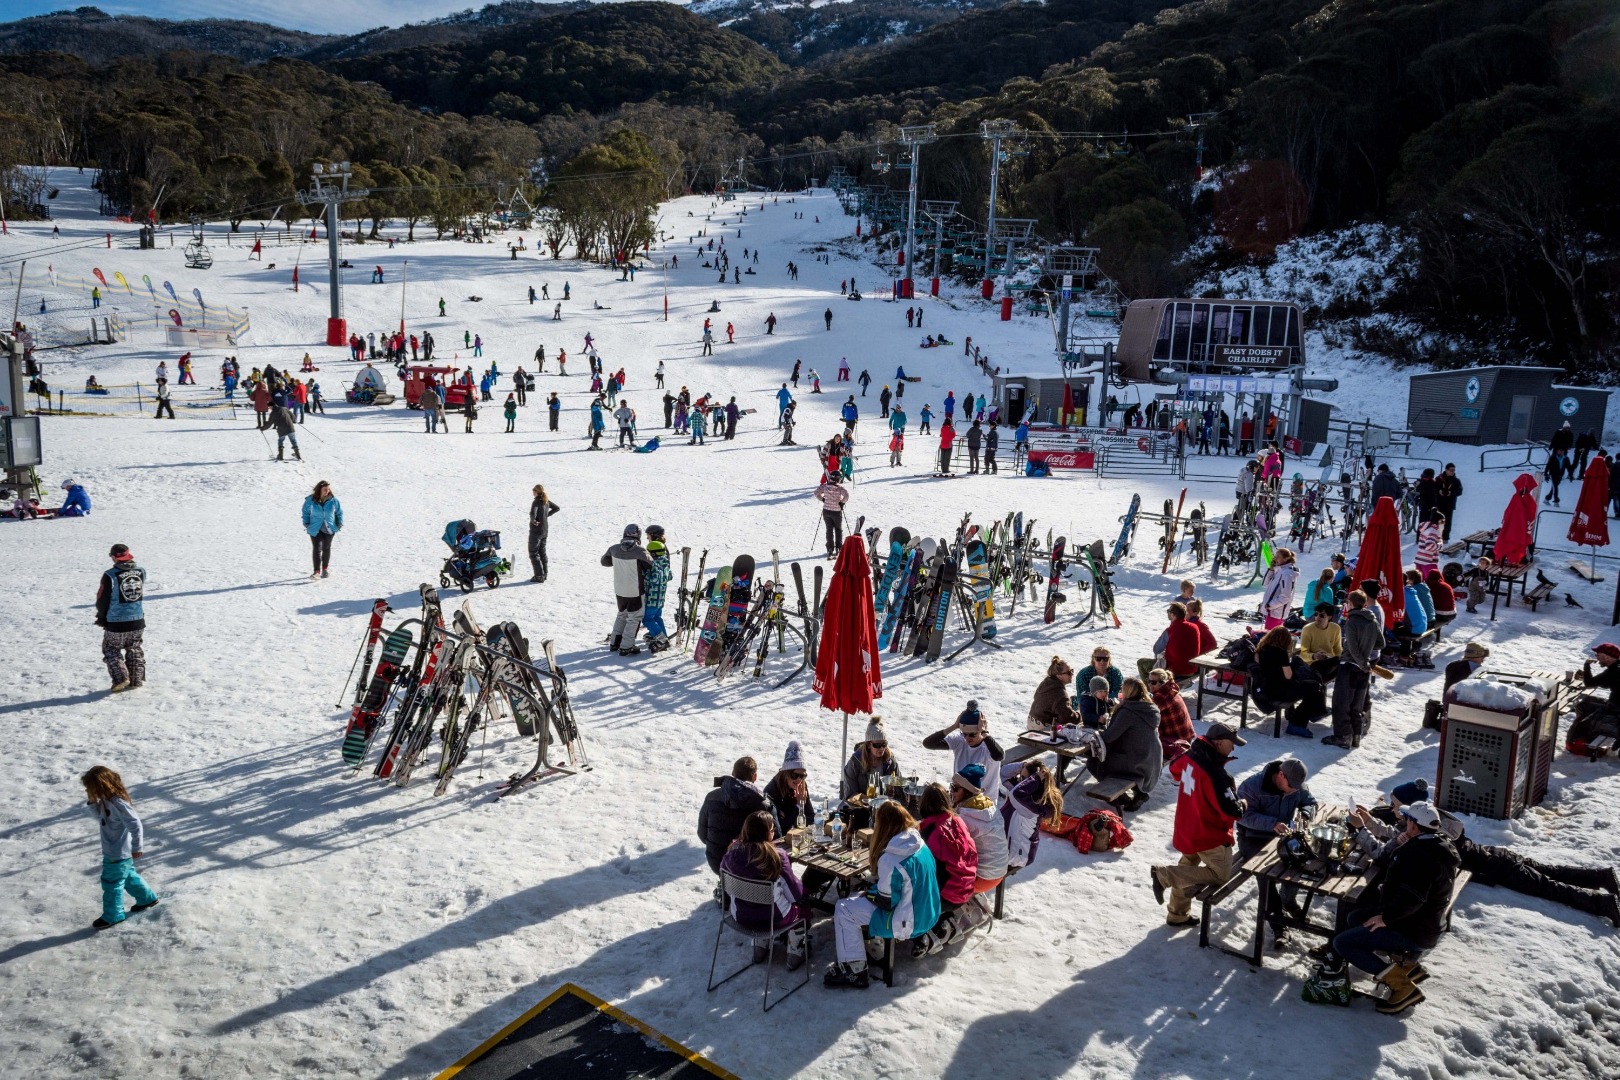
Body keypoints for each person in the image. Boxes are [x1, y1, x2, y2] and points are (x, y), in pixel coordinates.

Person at [1329, 802, 1460, 1013]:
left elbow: (1413, 898)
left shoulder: (1421, 856)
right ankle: (1405, 965)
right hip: (1421, 921)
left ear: (1415, 826)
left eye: (1406, 819)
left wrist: (1385, 918)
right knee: (1355, 918)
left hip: (1414, 930)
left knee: (1342, 943)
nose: (1403, 821)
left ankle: (1402, 986)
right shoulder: (1433, 843)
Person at [824, 802, 939, 989]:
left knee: (843, 908)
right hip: (928, 912)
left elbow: (886, 902)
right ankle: (870, 946)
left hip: (908, 920)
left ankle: (855, 969)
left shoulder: (891, 858)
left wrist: (868, 895)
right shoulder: (918, 843)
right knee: (860, 897)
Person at [1149, 722, 1247, 927]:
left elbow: (1175, 769)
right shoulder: (1217, 775)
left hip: (1188, 827)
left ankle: (1177, 914)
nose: (1234, 748)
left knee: (1187, 868)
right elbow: (1233, 811)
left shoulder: (1191, 756)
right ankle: (1164, 875)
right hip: (1208, 834)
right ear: (1219, 743)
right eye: (1232, 743)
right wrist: (1244, 803)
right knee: (1220, 875)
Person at [719, 811, 809, 970]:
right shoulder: (776, 856)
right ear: (765, 833)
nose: (774, 833)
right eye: (772, 829)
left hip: (741, 916)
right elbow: (795, 894)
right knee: (801, 908)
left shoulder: (731, 854)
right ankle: (796, 950)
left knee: (758, 903)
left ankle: (760, 944)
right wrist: (806, 892)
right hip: (774, 920)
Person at [82, 765, 160, 929]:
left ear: (101, 785)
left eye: (91, 788)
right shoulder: (106, 801)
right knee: (128, 876)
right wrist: (91, 802)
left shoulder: (118, 803)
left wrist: (137, 847)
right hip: (115, 851)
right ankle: (147, 898)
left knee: (112, 882)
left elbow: (135, 824)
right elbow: (102, 819)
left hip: (117, 852)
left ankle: (113, 915)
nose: (89, 791)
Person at [912, 783, 979, 957]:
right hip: (967, 888)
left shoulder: (928, 831)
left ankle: (921, 934)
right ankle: (945, 920)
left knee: (907, 888)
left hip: (947, 896)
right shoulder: (957, 820)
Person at [1085, 677, 1163, 810]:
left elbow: (1109, 737)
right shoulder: (1150, 708)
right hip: (1152, 759)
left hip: (1137, 762)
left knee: (1093, 762)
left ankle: (1119, 797)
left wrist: (1095, 733)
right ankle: (1138, 793)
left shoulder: (1129, 711)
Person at [1328, 589, 1382, 748]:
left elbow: (1351, 648)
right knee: (1357, 705)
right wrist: (1366, 657)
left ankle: (1343, 737)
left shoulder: (1352, 621)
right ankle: (1356, 736)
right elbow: (1381, 643)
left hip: (1350, 667)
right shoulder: (1372, 621)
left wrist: (1361, 662)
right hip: (1363, 668)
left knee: (1341, 703)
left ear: (1350, 604)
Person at [698, 757, 769, 873]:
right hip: (749, 867)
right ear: (755, 776)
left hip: (717, 862)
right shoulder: (762, 804)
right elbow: (775, 838)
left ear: (732, 773)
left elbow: (702, 834)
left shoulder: (711, 797)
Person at [922, 702, 1004, 801]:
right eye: (964, 734)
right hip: (959, 798)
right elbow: (928, 743)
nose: (967, 738)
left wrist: (984, 733)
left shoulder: (989, 746)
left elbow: (999, 756)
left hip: (983, 802)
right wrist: (954, 726)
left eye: (972, 734)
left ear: (982, 731)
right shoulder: (959, 740)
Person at [1254, 624, 1326, 735]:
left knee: (1311, 686)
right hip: (1281, 690)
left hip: (1267, 688)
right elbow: (1288, 676)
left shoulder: (1260, 650)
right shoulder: (1281, 653)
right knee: (1315, 687)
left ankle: (1311, 713)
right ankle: (1298, 723)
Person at [95, 544, 146, 692]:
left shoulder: (110, 575)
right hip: (137, 618)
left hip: (116, 620)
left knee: (111, 648)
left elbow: (102, 599)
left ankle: (121, 678)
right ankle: (136, 680)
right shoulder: (141, 571)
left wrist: (102, 616)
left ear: (113, 556)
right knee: (134, 647)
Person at [999, 760, 1064, 875]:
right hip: (1006, 848)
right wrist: (1022, 766)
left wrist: (1035, 778)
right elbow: (1003, 773)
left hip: (1017, 855)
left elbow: (1016, 794)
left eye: (1024, 778)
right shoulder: (1022, 793)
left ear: (1033, 783)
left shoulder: (1034, 805)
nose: (1020, 781)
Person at [600, 524, 652, 655]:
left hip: (619, 590)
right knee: (635, 617)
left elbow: (604, 562)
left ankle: (614, 643)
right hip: (635, 590)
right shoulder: (640, 551)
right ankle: (627, 646)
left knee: (622, 614)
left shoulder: (614, 549)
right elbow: (651, 565)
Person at [764, 742, 816, 836]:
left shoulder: (801, 786)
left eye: (802, 776)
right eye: (794, 775)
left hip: (797, 837)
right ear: (786, 773)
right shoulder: (772, 792)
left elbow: (811, 817)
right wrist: (798, 807)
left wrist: (792, 819)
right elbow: (780, 828)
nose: (799, 779)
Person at [841, 719, 901, 800]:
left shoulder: (891, 762)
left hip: (885, 806)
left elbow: (900, 788)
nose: (882, 748)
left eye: (884, 744)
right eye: (877, 745)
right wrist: (868, 801)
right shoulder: (855, 763)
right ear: (869, 745)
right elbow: (850, 794)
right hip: (859, 807)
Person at [1148, 668, 1194, 764]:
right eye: (1149, 681)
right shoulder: (1169, 690)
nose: (1149, 685)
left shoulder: (1162, 697)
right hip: (1185, 736)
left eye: (1153, 682)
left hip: (1178, 742)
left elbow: (1145, 711)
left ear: (1162, 683)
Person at [301, 481, 342, 580]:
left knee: (326, 548)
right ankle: (316, 572)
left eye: (328, 489)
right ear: (319, 489)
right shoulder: (310, 500)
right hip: (315, 528)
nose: (327, 491)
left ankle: (325, 569)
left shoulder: (333, 500)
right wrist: (306, 524)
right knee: (317, 547)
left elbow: (339, 513)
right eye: (325, 489)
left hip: (329, 528)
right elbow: (305, 512)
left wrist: (339, 524)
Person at [1299, 603, 1342, 680]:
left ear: (1329, 617)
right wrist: (1314, 656)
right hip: (1313, 663)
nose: (1317, 617)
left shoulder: (1336, 628)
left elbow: (1338, 649)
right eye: (1316, 614)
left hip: (1329, 662)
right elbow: (1303, 654)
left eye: (1321, 615)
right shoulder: (1308, 629)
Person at [1260, 547, 1298, 630]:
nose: (1275, 559)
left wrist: (1271, 605)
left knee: (1270, 637)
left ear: (1286, 558)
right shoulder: (1279, 570)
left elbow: (1286, 596)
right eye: (1275, 556)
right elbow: (1264, 584)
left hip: (1276, 612)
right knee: (1268, 635)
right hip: (1271, 612)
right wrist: (1271, 569)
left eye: (1278, 557)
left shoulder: (1287, 573)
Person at [528, 484, 560, 583]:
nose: (532, 492)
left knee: (533, 553)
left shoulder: (536, 501)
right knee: (542, 552)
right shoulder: (546, 501)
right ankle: (544, 574)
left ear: (536, 491)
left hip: (536, 531)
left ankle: (539, 576)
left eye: (533, 490)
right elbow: (557, 508)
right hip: (545, 531)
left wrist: (534, 520)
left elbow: (533, 513)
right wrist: (546, 516)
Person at [814, 475, 848, 558]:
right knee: (838, 529)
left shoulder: (824, 487)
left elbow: (816, 493)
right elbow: (846, 496)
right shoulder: (840, 488)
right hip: (836, 512)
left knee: (829, 529)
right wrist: (842, 502)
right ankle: (839, 548)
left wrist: (822, 499)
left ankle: (830, 548)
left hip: (826, 511)